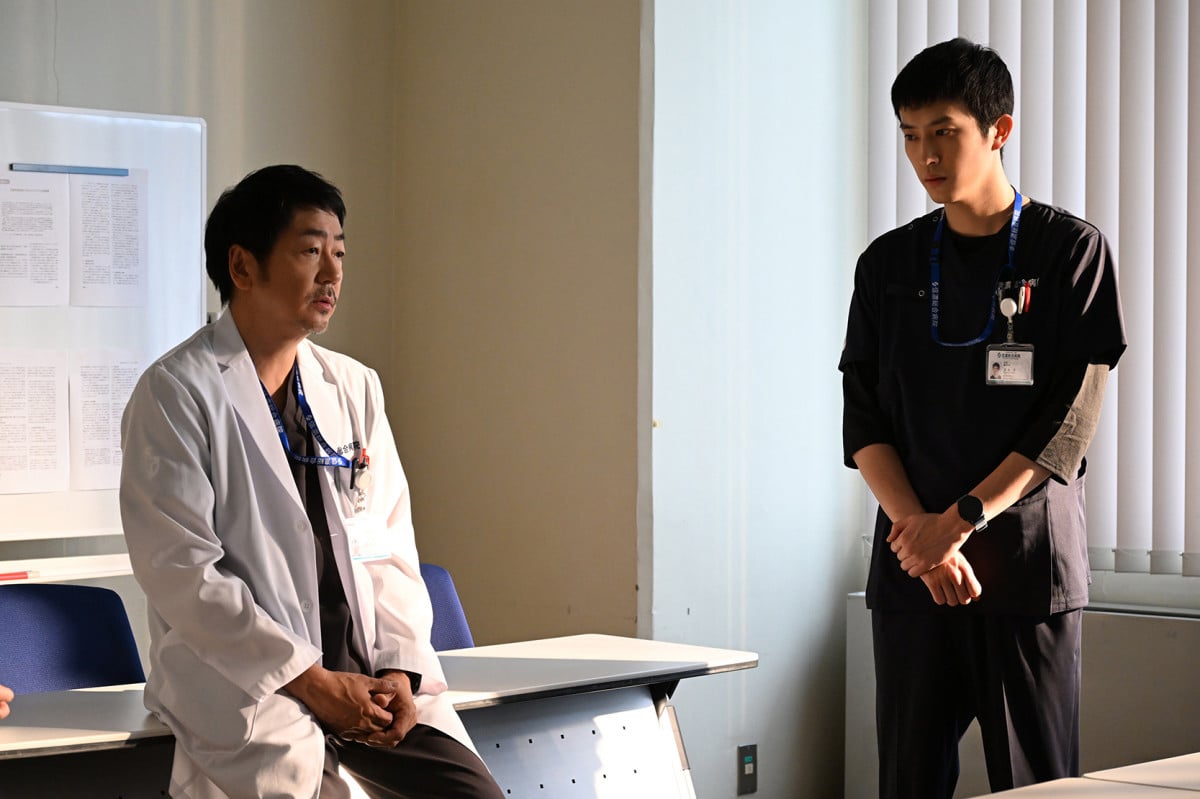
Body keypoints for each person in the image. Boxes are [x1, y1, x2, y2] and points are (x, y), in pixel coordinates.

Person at [120, 165, 505, 799]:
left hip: (369, 679)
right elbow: (183, 574)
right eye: (309, 251)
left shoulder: (352, 386)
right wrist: (312, 681)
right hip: (255, 685)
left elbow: (390, 547)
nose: (332, 274)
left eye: (340, 253)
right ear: (242, 266)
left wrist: (401, 671)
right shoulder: (176, 392)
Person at [839, 38, 1125, 799]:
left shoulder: (1069, 251)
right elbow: (864, 417)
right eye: (909, 135)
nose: (924, 155)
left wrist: (961, 520)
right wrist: (922, 536)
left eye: (944, 131)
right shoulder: (888, 264)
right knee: (908, 780)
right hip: (914, 568)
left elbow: (1069, 421)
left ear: (999, 130)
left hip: (1025, 570)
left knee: (1036, 785)